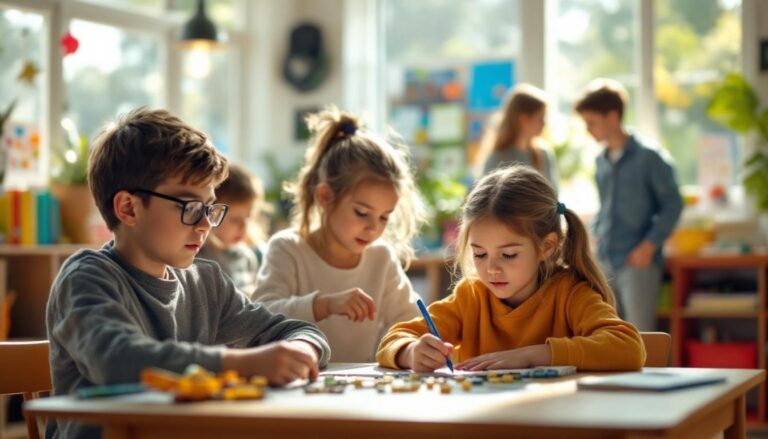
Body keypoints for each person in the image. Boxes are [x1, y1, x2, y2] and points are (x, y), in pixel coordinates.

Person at [46, 108, 330, 439]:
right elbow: (119, 361)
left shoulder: (206, 282)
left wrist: (302, 350)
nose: (207, 224)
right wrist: (242, 364)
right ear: (128, 208)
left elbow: (294, 329)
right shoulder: (86, 278)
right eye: (190, 207)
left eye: (210, 208)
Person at [376, 165, 645, 372]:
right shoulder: (472, 296)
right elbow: (395, 338)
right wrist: (411, 352)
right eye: (479, 254)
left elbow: (629, 347)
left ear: (547, 246)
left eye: (508, 254)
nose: (491, 269)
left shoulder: (571, 294)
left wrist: (534, 355)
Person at [252, 107, 425, 362]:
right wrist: (324, 305)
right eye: (361, 212)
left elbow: (409, 322)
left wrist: (415, 349)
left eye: (384, 217)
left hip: (360, 391)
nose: (374, 228)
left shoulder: (381, 257)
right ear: (325, 197)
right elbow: (260, 318)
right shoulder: (288, 248)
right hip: (295, 385)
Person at [575, 78, 683, 332]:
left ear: (612, 117)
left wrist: (649, 245)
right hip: (605, 260)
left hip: (638, 261)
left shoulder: (649, 157)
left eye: (592, 122)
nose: (588, 130)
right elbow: (606, 207)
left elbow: (672, 204)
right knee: (609, 334)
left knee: (642, 336)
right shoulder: (600, 161)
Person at [198, 163, 267, 294]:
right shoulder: (201, 258)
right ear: (212, 214)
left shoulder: (248, 256)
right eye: (235, 220)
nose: (244, 226)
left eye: (249, 217)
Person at [476, 83, 559, 192]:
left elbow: (555, 196)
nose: (544, 124)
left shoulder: (544, 154)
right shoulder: (497, 158)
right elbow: (485, 202)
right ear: (523, 119)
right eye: (540, 118)